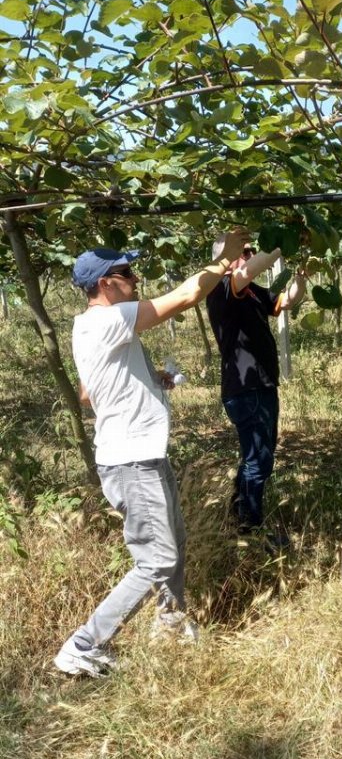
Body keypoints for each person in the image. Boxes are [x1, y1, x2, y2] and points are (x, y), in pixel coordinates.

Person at [54, 228, 247, 678]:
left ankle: (171, 626)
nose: (135, 278)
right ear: (105, 283)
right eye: (126, 273)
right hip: (130, 461)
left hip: (142, 456)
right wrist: (224, 259)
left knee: (173, 547)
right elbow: (183, 298)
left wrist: (146, 378)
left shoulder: (92, 329)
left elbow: (87, 393)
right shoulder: (106, 320)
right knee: (156, 559)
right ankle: (84, 643)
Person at [205, 240, 306, 540]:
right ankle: (250, 528)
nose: (249, 255)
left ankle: (239, 516)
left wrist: (301, 275)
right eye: (244, 251)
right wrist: (285, 238)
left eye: (250, 251)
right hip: (247, 389)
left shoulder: (251, 291)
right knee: (259, 459)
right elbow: (248, 270)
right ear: (226, 258)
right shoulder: (222, 288)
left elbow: (288, 301)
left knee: (255, 455)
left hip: (261, 386)